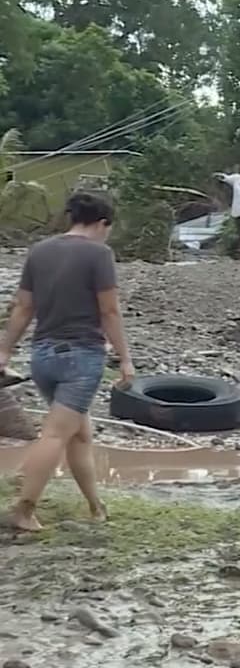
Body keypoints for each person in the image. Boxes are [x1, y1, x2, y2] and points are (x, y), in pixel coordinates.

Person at [0, 192, 134, 531]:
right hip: (81, 357)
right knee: (56, 435)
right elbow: (109, 310)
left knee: (79, 434)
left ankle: (95, 506)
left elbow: (23, 307)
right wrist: (125, 359)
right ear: (103, 223)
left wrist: (5, 350)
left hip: (42, 357)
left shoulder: (40, 251)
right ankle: (23, 509)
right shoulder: (99, 253)